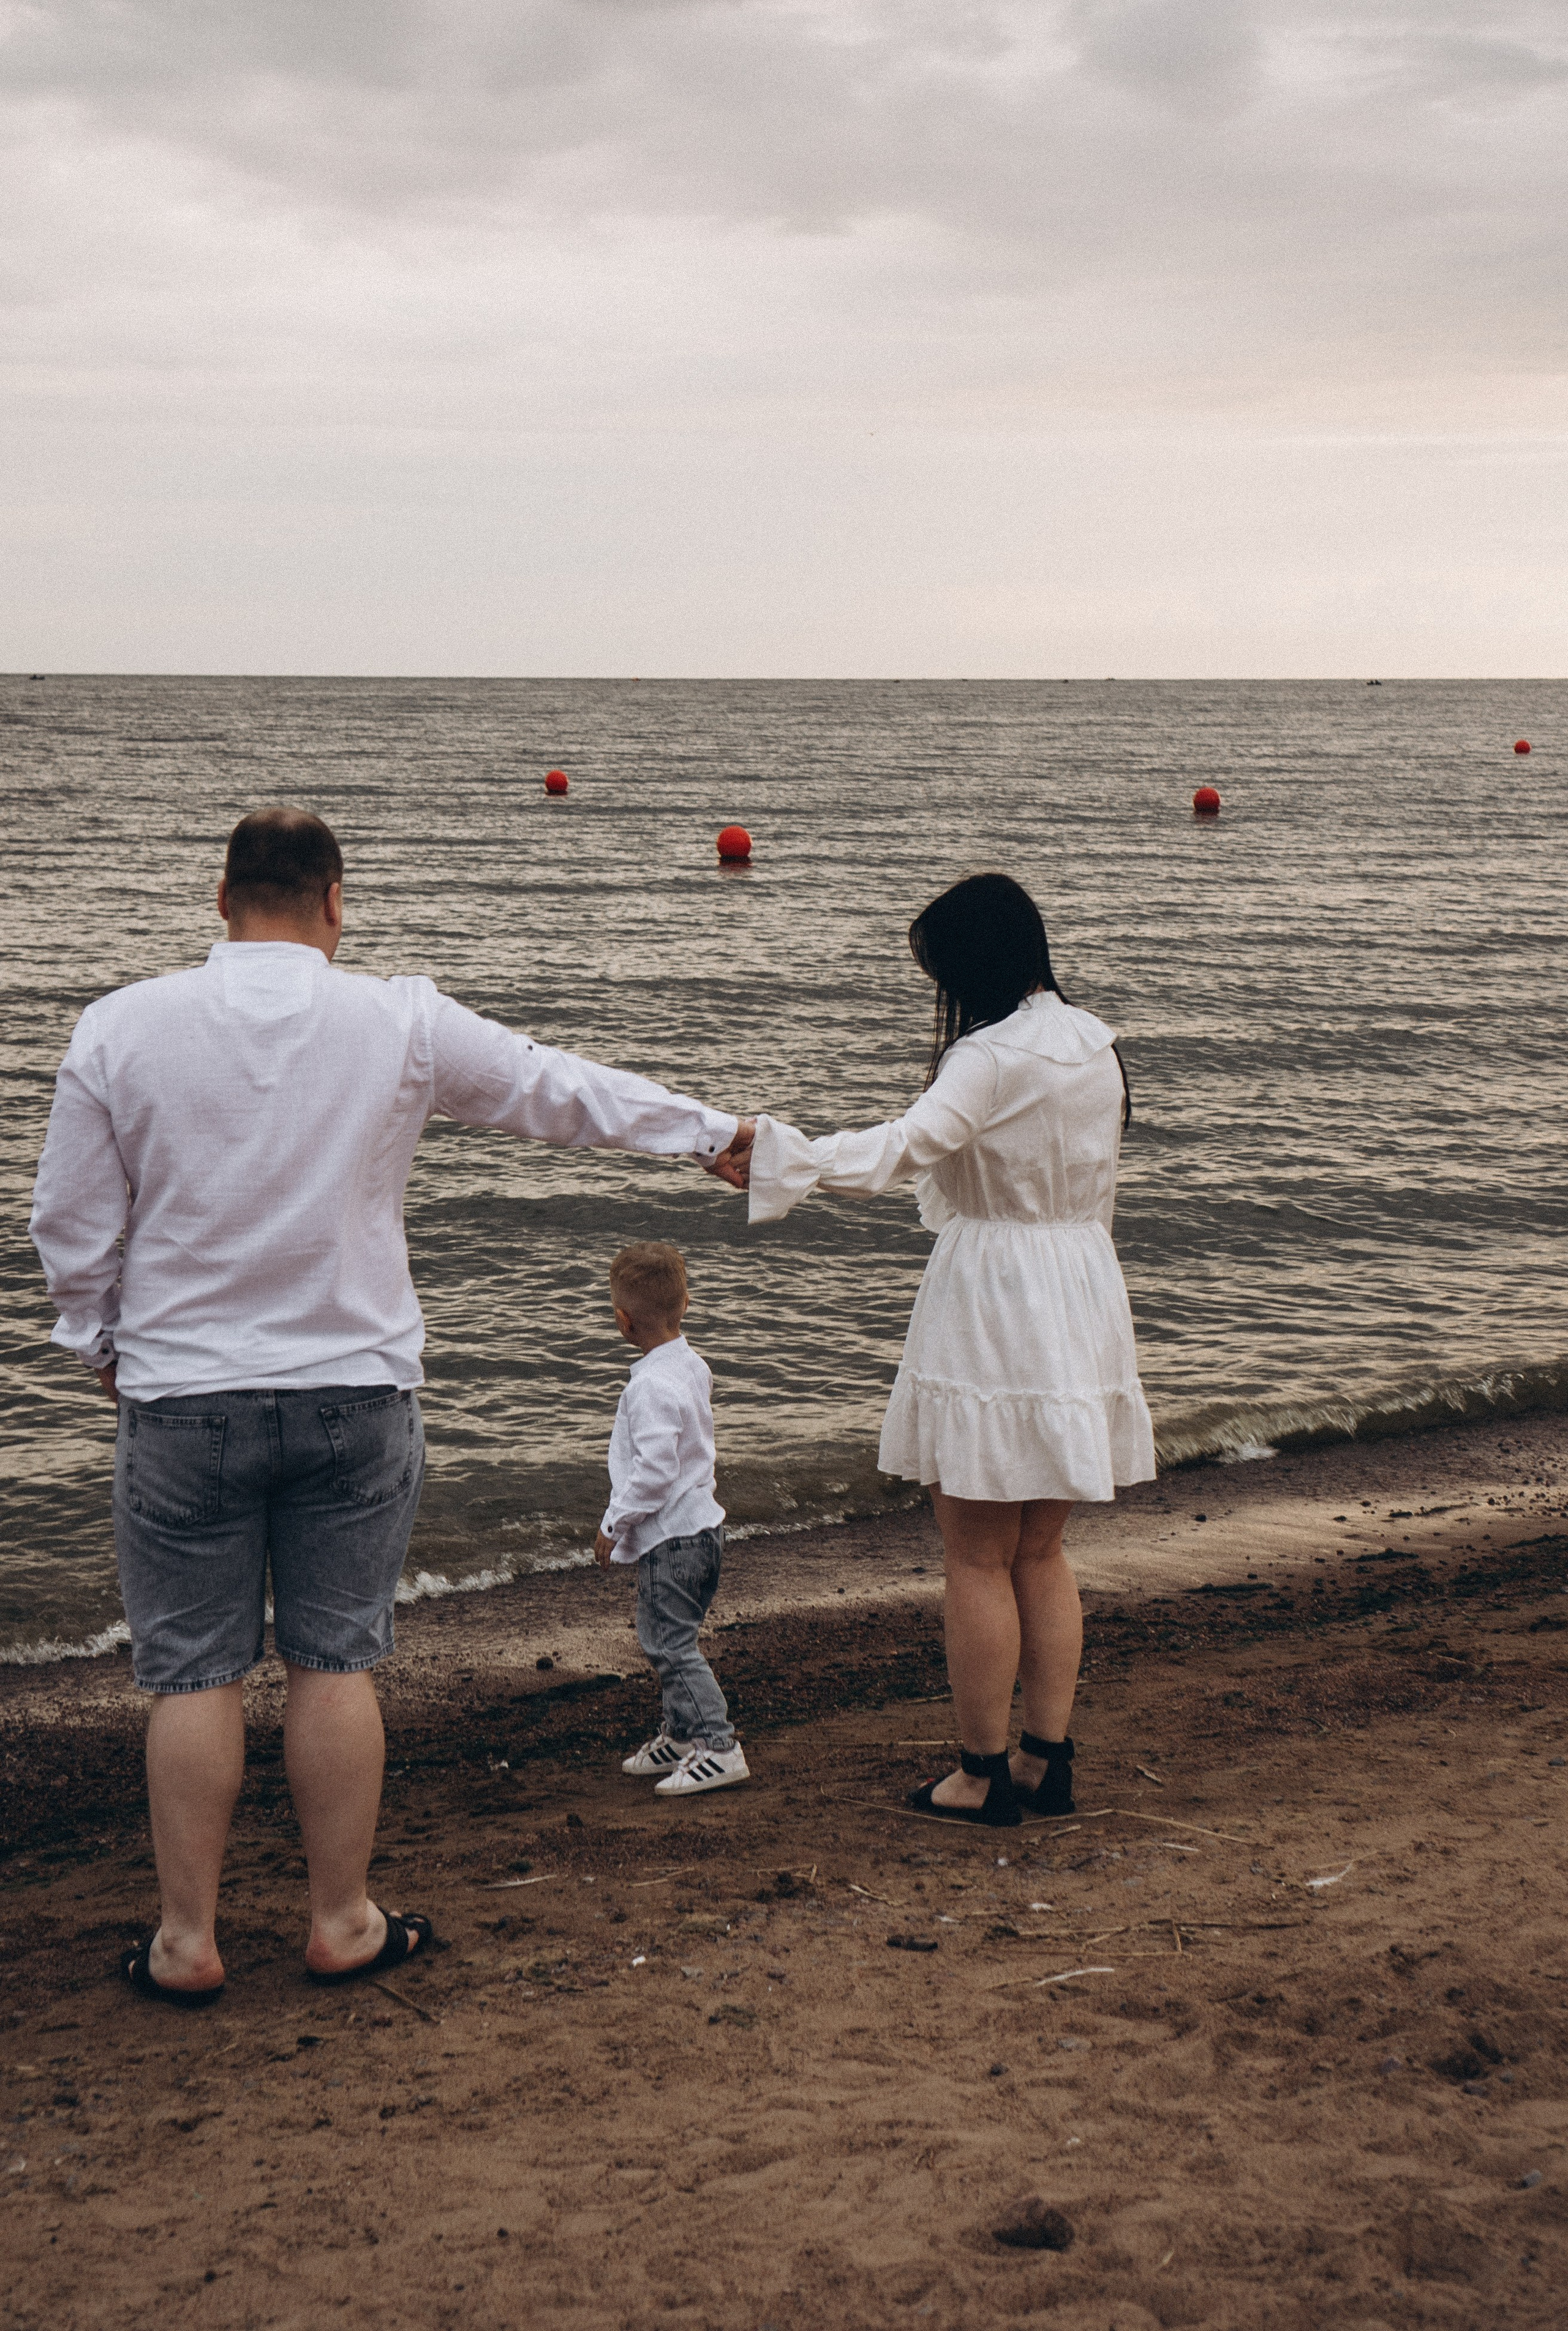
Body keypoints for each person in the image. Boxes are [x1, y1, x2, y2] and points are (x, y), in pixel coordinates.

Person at [28, 808, 752, 2002]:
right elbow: (551, 1092)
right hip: (355, 1397)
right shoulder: (399, 1020)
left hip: (182, 1401)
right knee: (332, 1662)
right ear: (334, 902)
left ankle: (187, 1943)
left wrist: (98, 1341)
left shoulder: (121, 1028)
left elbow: (68, 1223)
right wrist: (709, 1133)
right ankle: (341, 1922)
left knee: (191, 1677)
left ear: (221, 900)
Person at [744, 872, 1153, 1827]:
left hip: (998, 1297)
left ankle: (978, 1772)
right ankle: (1045, 1764)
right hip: (1081, 1284)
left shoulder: (990, 1055)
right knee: (1042, 1550)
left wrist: (773, 1153)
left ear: (974, 965)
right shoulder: (1096, 1045)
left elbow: (897, 1154)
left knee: (976, 1556)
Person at [592, 1242, 748, 1795]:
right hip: (703, 1532)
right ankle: (682, 1735)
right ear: (685, 1304)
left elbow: (655, 1471)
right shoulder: (690, 1365)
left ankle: (718, 1745)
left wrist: (614, 1523)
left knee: (668, 1644)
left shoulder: (650, 1386)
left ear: (622, 1321)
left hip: (674, 1541)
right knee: (670, 1637)